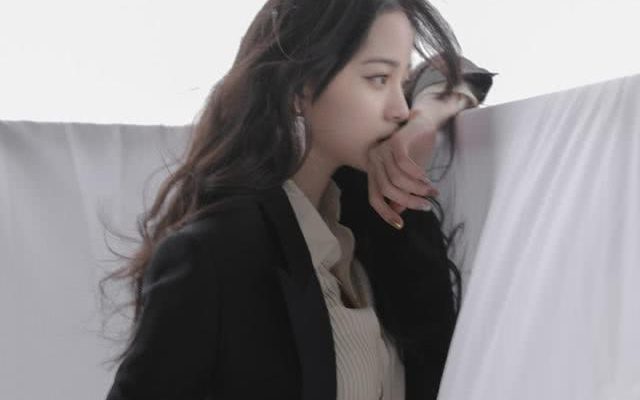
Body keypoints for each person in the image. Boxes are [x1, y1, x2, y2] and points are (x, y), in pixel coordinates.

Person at [101, 0, 482, 399]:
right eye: (378, 79)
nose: (399, 109)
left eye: (401, 79)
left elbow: (460, 72)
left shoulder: (373, 223)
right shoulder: (213, 256)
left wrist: (423, 121)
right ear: (300, 87)